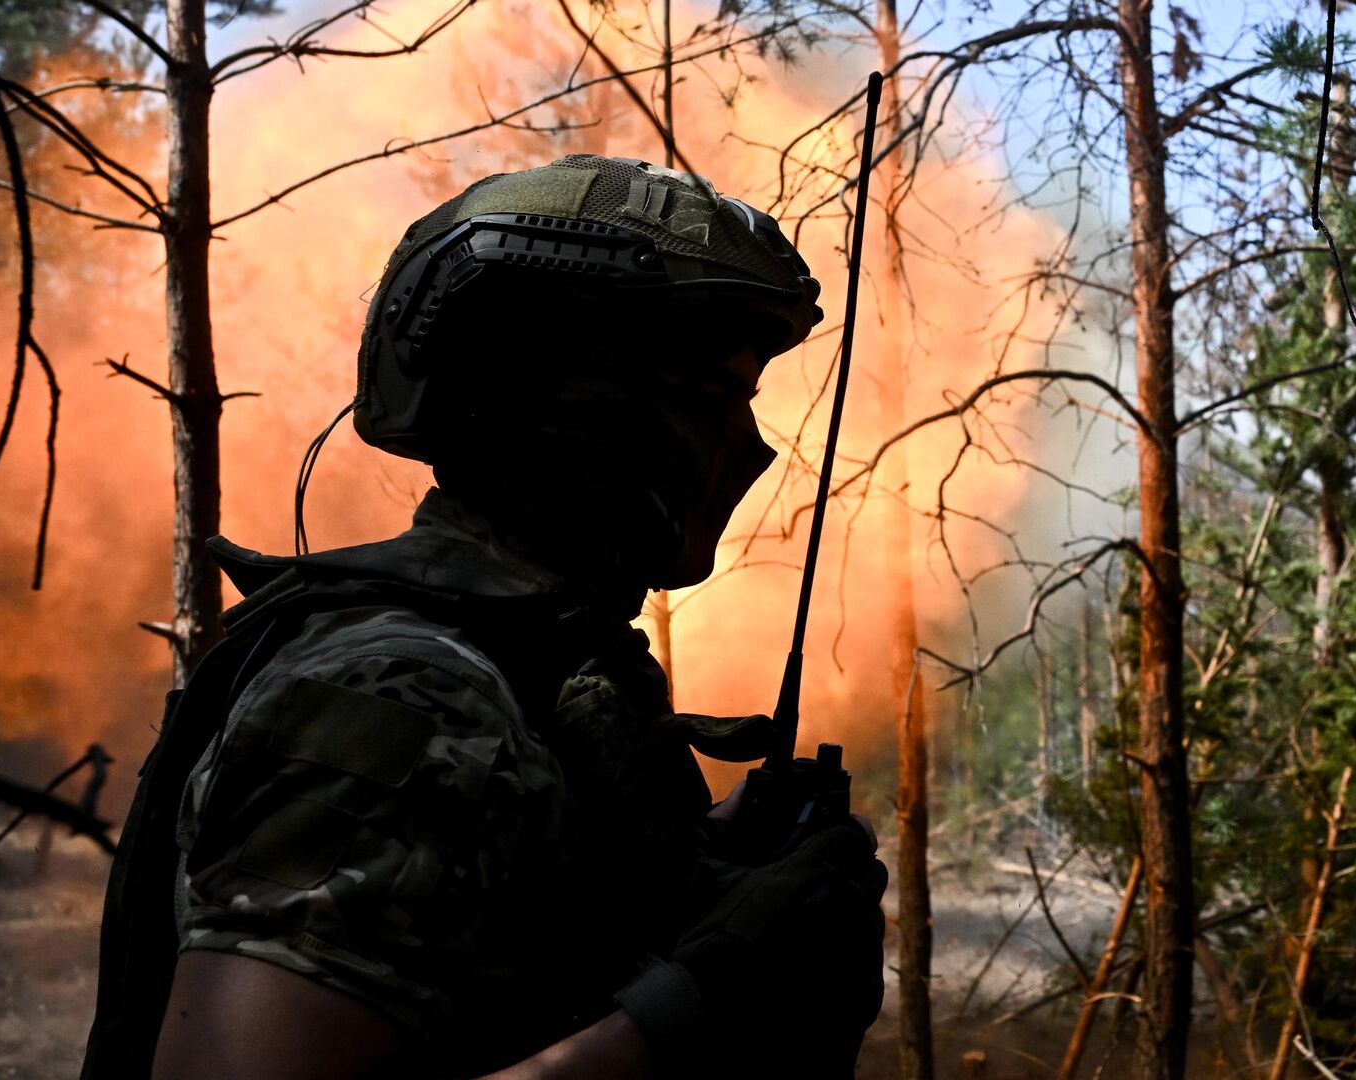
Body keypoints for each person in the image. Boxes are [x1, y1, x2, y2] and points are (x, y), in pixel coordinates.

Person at [81, 155, 888, 1080]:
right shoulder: (398, 698)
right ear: (567, 398)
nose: (749, 447)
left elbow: (503, 946)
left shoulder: (535, 667)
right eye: (715, 397)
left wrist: (700, 864)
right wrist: (697, 1007)